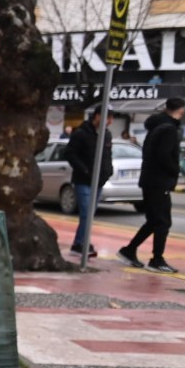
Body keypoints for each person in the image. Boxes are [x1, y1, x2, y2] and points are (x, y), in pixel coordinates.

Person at [117, 98, 185, 273]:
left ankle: (129, 250)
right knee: (163, 222)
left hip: (150, 180)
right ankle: (157, 259)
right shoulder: (169, 129)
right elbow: (164, 155)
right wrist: (175, 170)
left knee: (154, 221)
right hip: (159, 180)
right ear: (181, 111)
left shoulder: (156, 126)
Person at [63, 107, 113, 259]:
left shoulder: (106, 135)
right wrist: (84, 170)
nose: (110, 121)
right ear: (97, 116)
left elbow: (107, 155)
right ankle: (81, 244)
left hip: (99, 180)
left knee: (89, 214)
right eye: (107, 117)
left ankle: (79, 242)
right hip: (83, 180)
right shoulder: (81, 133)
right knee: (86, 213)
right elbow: (70, 153)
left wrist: (108, 171)